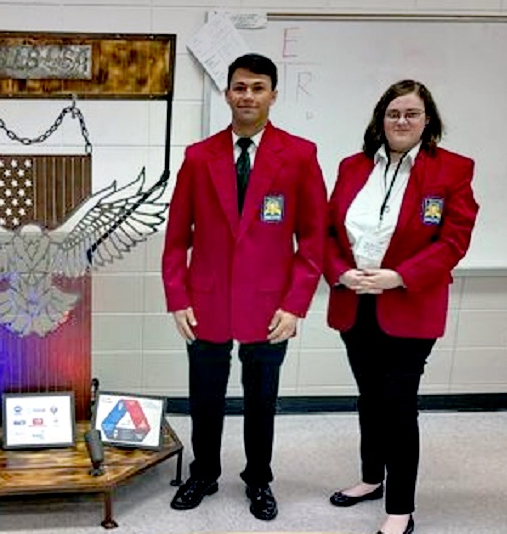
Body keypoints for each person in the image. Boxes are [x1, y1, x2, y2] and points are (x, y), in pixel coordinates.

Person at [161, 53, 327, 520]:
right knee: (205, 396)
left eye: (257, 87)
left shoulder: (299, 155)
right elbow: (176, 240)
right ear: (226, 93)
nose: (247, 95)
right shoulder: (199, 157)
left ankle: (259, 479)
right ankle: (204, 473)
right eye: (239, 87)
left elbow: (313, 240)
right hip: (207, 302)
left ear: (273, 94)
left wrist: (295, 306)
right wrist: (178, 298)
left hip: (269, 305)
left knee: (261, 399)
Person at [324, 80, 478, 534]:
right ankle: (372, 478)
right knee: (369, 400)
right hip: (354, 303)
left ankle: (400, 507)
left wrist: (400, 276)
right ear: (380, 119)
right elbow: (328, 233)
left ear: (427, 120)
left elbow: (454, 240)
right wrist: (340, 272)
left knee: (398, 405)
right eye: (394, 113)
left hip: (409, 306)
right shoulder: (352, 167)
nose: (402, 121)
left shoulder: (452, 170)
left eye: (412, 113)